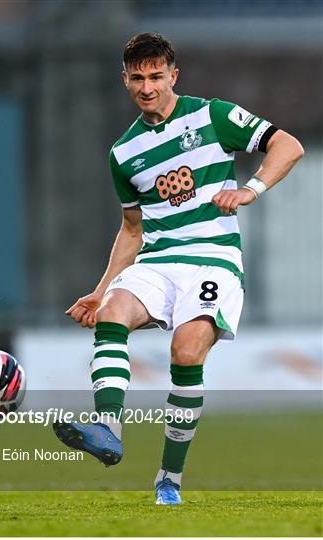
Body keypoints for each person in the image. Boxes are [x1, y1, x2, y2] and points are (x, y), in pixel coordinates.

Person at [53, 32, 304, 504]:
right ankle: (107, 429)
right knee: (111, 313)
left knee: (186, 354)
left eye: (156, 76)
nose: (147, 87)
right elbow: (131, 230)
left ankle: (169, 479)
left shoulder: (212, 116)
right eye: (137, 78)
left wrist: (250, 190)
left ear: (173, 75)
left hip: (212, 258)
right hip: (158, 261)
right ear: (124, 80)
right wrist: (100, 287)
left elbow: (287, 145)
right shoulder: (123, 154)